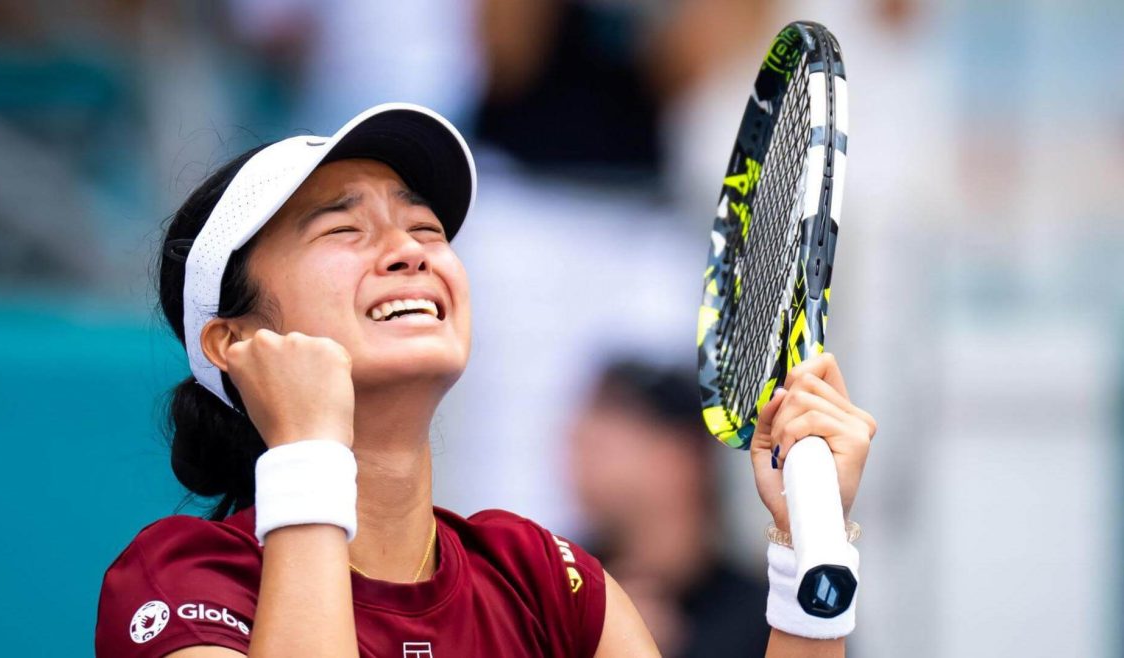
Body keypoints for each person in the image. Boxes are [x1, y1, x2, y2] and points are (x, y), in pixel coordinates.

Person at [94, 102, 876, 657]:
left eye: (425, 227)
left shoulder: (544, 579)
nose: (410, 250)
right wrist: (306, 454)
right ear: (234, 341)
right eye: (344, 228)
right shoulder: (182, 582)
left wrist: (804, 545)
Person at [567, 359, 771, 657]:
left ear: (683, 457)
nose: (583, 439)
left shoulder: (763, 618)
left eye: (620, 416)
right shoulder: (558, 586)